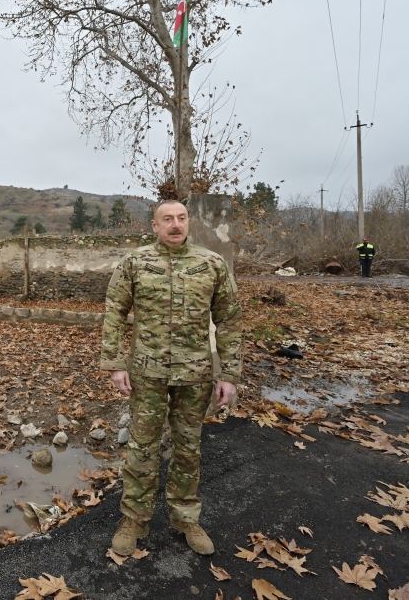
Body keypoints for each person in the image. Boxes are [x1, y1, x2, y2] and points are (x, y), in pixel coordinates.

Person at [100, 199, 242, 557]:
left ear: (188, 222)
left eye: (181, 218)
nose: (175, 224)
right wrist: (116, 363)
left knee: (188, 447)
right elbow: (114, 312)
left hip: (195, 374)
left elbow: (228, 320)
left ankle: (185, 518)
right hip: (147, 372)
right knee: (142, 446)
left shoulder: (211, 264)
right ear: (154, 225)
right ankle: (134, 518)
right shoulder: (135, 262)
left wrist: (229, 373)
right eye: (167, 219)